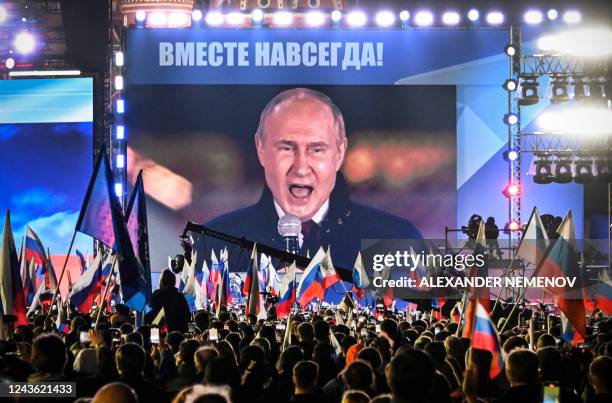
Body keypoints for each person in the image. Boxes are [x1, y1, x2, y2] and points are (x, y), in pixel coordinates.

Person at [197, 88, 422, 277]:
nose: (301, 167)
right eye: (286, 148)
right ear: (261, 149)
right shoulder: (214, 242)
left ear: (340, 152)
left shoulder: (397, 238)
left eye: (316, 149)